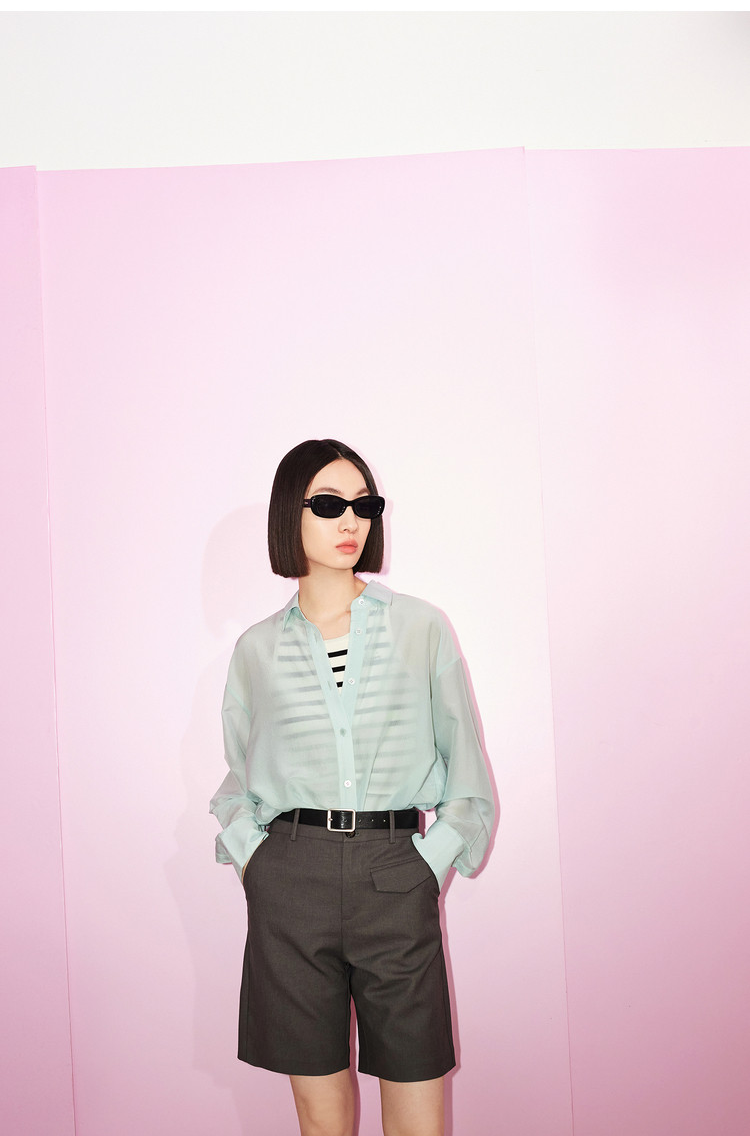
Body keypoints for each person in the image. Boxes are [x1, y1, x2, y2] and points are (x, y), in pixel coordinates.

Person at [210, 438, 494, 1136]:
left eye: (364, 505)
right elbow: (238, 777)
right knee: (321, 1119)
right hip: (291, 881)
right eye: (330, 504)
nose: (351, 521)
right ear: (290, 513)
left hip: (395, 874)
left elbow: (467, 772)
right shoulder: (256, 650)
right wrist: (256, 859)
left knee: (419, 1106)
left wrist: (428, 863)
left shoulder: (420, 627)